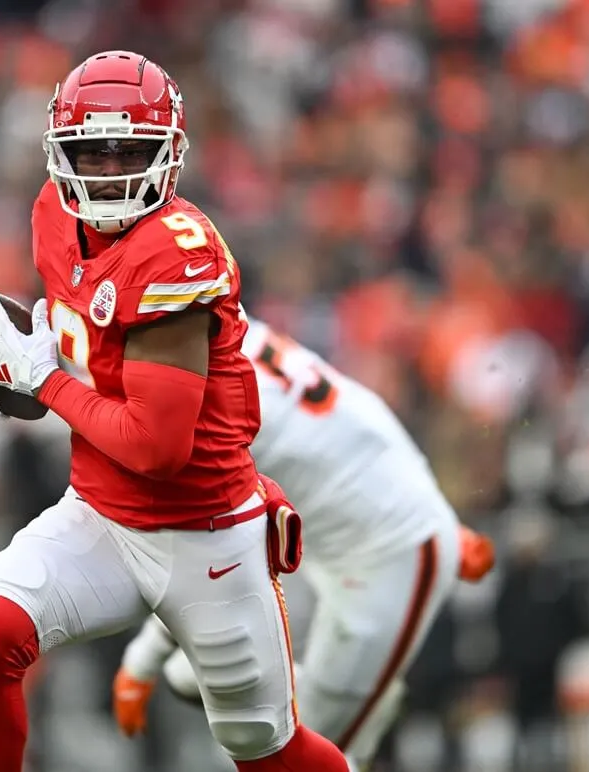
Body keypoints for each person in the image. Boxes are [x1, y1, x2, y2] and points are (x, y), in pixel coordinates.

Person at [0, 51, 352, 772]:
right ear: (57, 154)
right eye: (89, 152)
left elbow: (155, 446)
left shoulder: (174, 257)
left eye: (128, 150)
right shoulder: (50, 218)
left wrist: (44, 384)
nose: (108, 169)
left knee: (267, 754)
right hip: (101, 513)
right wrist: (32, 368)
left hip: (207, 537)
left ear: (169, 152)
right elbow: (89, 358)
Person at [111, 316, 497, 770]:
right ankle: (361, 694)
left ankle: (361, 697)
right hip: (337, 546)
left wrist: (139, 663)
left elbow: (207, 563)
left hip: (386, 560)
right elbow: (352, 417)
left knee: (307, 759)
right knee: (191, 675)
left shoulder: (209, 410)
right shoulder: (231, 328)